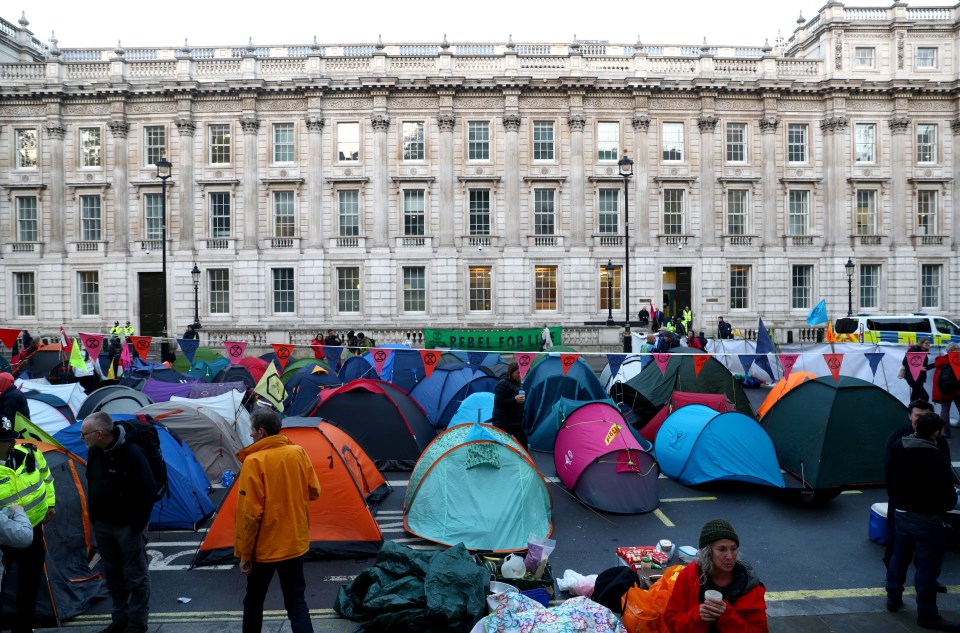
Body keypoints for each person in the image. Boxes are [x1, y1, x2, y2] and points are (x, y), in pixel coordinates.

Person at [235, 408, 321, 633]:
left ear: (261, 432)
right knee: (296, 602)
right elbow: (314, 491)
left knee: (254, 601)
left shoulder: (253, 461)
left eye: (252, 430)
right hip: (294, 541)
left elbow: (251, 514)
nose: (250, 434)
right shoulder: (298, 452)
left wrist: (245, 555)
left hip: (265, 548)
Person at [81, 412, 157, 633]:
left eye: (84, 434)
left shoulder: (132, 453)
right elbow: (93, 484)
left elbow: (148, 490)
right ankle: (119, 620)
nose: (82, 438)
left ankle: (137, 623)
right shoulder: (95, 452)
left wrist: (136, 524)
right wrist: (95, 516)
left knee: (136, 576)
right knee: (113, 575)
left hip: (128, 527)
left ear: (99, 433)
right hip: (104, 525)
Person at [885, 412, 959, 631]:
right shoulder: (936, 457)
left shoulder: (900, 445)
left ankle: (893, 596)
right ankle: (927, 613)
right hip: (927, 518)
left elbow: (889, 474)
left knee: (900, 556)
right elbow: (948, 496)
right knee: (927, 566)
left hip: (901, 511)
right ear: (935, 433)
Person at [882, 401, 954, 574]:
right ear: (910, 416)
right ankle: (893, 586)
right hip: (904, 507)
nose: (921, 420)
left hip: (925, 509)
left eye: (926, 416)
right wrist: (895, 498)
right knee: (899, 551)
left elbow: (946, 473)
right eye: (918, 416)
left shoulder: (940, 442)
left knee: (923, 557)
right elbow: (889, 470)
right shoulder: (898, 438)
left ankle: (900, 588)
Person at [0, 418, 56, 633]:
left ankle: (23, 628)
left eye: (11, 437)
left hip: (33, 529)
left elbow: (47, 478)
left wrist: (50, 503)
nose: (12, 442)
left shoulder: (31, 453)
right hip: (4, 536)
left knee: (30, 581)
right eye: (5, 440)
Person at [664, 519, 768, 632]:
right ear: (707, 553)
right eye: (722, 549)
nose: (729, 556)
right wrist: (697, 616)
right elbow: (670, 621)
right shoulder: (689, 575)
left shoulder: (749, 585)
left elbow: (760, 631)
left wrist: (727, 616)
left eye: (733, 549)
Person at [491, 361, 528, 451]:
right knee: (502, 445)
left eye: (521, 373)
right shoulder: (502, 384)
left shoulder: (517, 383)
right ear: (511, 373)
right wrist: (514, 399)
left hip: (515, 421)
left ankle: (525, 462)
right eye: (517, 373)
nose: (519, 375)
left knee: (523, 441)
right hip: (503, 422)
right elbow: (499, 401)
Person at [932, 343, 959, 437]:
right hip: (958, 389)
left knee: (945, 410)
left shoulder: (941, 360)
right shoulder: (958, 360)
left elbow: (937, 378)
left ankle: (945, 431)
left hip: (945, 389)